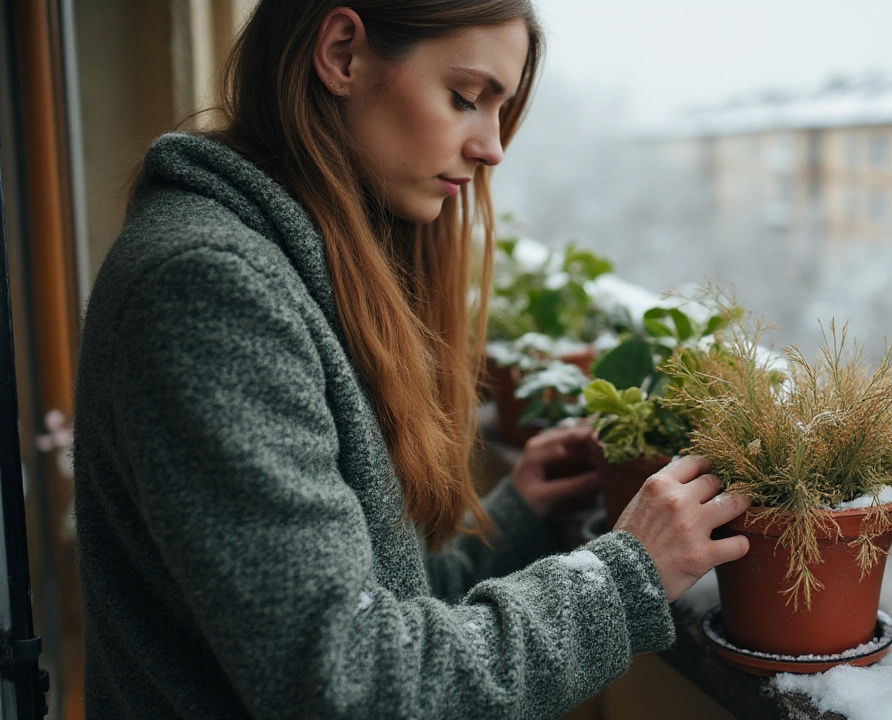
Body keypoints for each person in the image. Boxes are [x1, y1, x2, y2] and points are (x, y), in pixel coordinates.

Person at [71, 2, 750, 718]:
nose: (492, 147)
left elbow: (360, 604)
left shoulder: (295, 266)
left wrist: (517, 520)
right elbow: (350, 684)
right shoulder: (209, 290)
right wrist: (625, 579)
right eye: (465, 97)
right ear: (341, 53)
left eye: (501, 109)